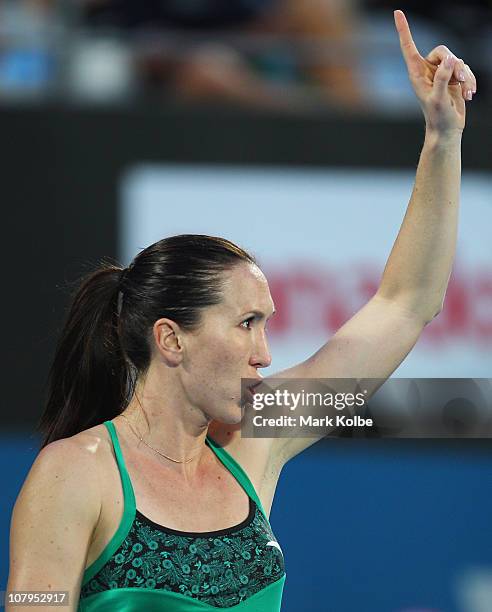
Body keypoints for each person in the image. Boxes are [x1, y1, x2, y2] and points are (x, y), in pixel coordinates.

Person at [6, 10, 476, 612]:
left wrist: (442, 138)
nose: (266, 353)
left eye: (267, 325)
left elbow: (406, 304)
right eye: (247, 324)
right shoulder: (72, 475)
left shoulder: (258, 439)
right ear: (171, 340)